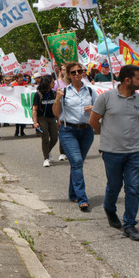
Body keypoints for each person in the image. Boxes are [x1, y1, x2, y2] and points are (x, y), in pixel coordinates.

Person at [89, 65, 139, 241]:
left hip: (134, 152)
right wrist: (108, 133)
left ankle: (130, 224)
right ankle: (109, 208)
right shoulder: (106, 98)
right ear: (127, 80)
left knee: (133, 189)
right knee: (114, 186)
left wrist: (130, 127)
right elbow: (93, 121)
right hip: (111, 152)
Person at [52, 61, 96, 212]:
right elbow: (56, 113)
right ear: (69, 75)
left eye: (79, 71)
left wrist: (94, 109)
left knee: (78, 163)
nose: (77, 74)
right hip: (68, 130)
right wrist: (57, 99)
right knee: (76, 161)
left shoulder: (90, 91)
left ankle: (73, 193)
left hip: (86, 131)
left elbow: (101, 110)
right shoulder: (64, 92)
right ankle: (82, 198)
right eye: (73, 72)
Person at [32, 75, 59, 167]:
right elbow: (34, 109)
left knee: (55, 138)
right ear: (47, 83)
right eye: (52, 82)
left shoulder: (54, 94)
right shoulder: (38, 94)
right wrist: (35, 122)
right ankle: (46, 158)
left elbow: (57, 108)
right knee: (45, 138)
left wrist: (58, 119)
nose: (54, 83)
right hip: (42, 118)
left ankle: (47, 151)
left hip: (52, 118)